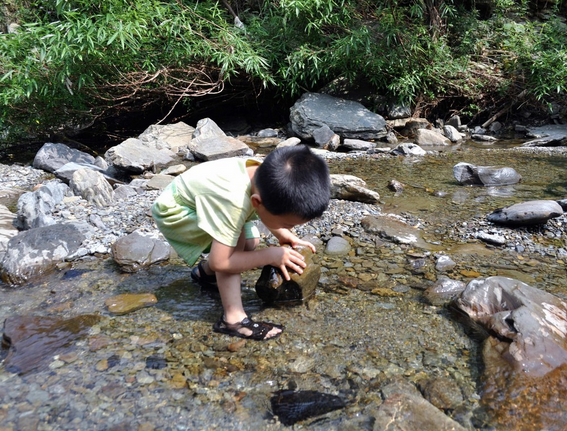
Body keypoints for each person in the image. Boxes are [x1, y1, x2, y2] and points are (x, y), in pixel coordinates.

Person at [151, 145, 330, 341]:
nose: (290, 228)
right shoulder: (233, 200)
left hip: (202, 199)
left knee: (251, 242)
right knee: (234, 248)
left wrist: (283, 232)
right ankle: (233, 319)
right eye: (288, 224)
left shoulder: (268, 176)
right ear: (256, 203)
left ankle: (204, 273)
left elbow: (262, 213)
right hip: (176, 211)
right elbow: (222, 262)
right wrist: (270, 255)